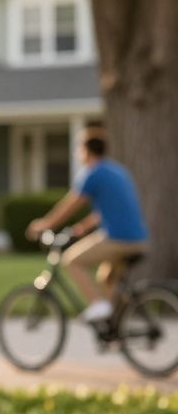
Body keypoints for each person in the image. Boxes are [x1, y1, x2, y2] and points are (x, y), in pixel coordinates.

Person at [27, 128, 149, 322]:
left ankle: (97, 305)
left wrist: (44, 224)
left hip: (118, 238)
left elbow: (70, 205)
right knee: (106, 279)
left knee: (70, 260)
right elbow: (106, 210)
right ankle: (117, 324)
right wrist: (82, 227)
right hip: (138, 238)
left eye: (78, 149)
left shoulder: (93, 173)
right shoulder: (116, 170)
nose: (77, 154)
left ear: (86, 151)